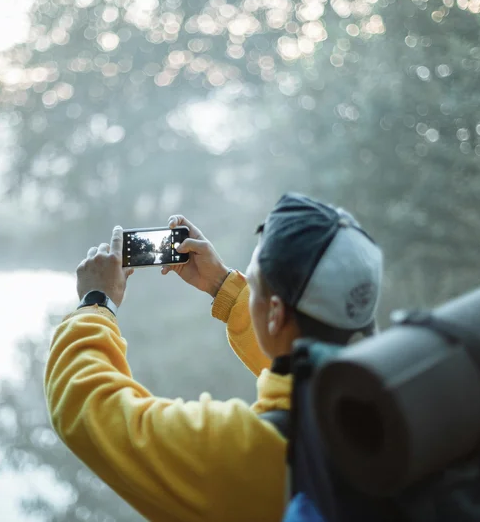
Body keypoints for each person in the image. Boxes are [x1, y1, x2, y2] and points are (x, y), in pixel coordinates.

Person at [44, 193, 383, 522]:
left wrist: (96, 302)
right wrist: (223, 285)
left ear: (276, 314)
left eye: (253, 284)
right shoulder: (395, 394)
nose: (250, 293)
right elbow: (297, 358)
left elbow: (88, 407)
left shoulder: (245, 454)